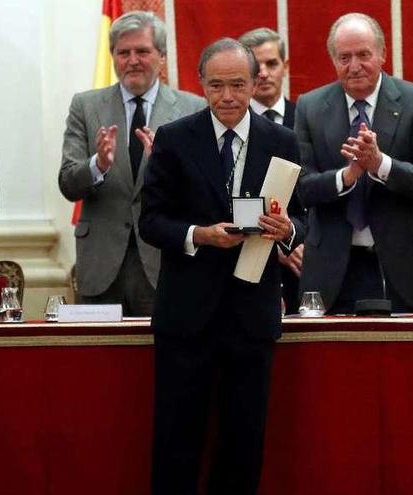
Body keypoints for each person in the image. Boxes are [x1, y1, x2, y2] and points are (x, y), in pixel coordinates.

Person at [140, 38, 303, 495]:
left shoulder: (283, 140)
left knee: (243, 443)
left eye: (237, 85)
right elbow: (151, 221)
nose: (227, 97)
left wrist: (286, 230)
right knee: (177, 441)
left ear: (256, 84)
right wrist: (200, 235)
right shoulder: (174, 138)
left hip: (251, 315)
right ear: (201, 85)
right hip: (186, 316)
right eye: (216, 86)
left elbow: (303, 216)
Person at [295, 13, 413, 314]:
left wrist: (380, 164)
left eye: (363, 55)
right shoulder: (309, 107)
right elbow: (301, 189)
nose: (354, 66)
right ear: (333, 60)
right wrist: (347, 176)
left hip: (408, 268)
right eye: (344, 57)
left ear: (382, 54)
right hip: (334, 271)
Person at [58, 11, 206, 316]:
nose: (132, 60)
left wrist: (165, 169)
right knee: (99, 360)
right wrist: (98, 164)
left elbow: (202, 193)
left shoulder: (192, 108)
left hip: (165, 261)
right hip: (101, 264)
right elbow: (68, 183)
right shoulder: (85, 107)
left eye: (142, 51)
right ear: (112, 56)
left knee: (161, 359)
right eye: (123, 52)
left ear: (162, 57)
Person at [238, 27, 304, 313]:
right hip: (246, 262)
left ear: (285, 67)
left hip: (306, 261)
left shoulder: (308, 118)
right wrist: (276, 249)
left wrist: (293, 238)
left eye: (272, 64)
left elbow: (312, 196)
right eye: (256, 66)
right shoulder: (230, 127)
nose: (263, 73)